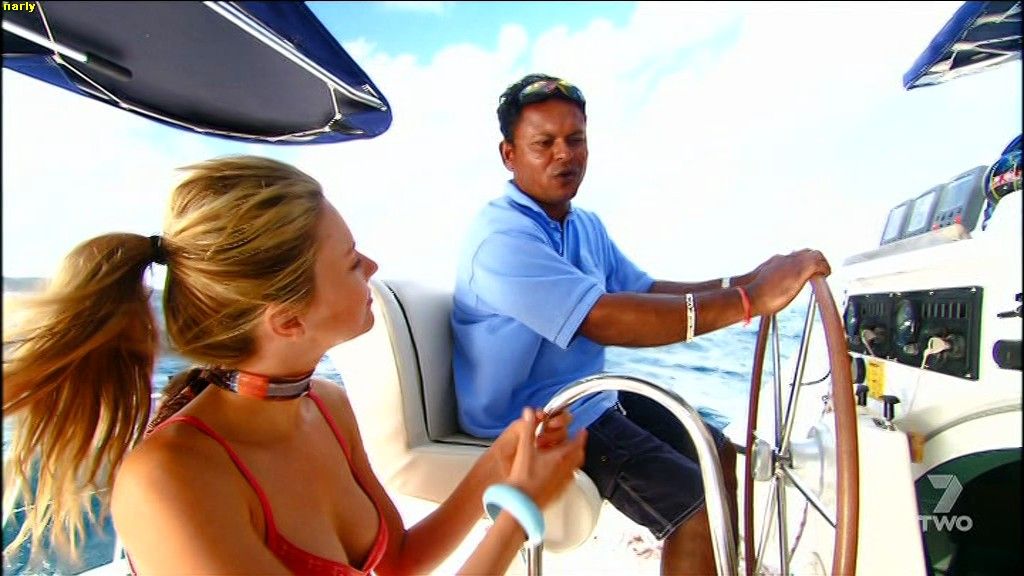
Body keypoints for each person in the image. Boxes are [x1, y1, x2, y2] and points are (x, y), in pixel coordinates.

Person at [2, 155, 586, 575]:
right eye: (351, 261)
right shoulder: (171, 480)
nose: (372, 267)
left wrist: (496, 465)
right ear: (286, 321)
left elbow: (398, 562)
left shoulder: (325, 406)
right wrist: (517, 514)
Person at [451, 73, 832, 574]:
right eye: (544, 143)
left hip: (587, 398)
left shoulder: (583, 224)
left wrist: (748, 279)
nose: (564, 154)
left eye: (575, 139)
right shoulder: (501, 239)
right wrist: (749, 300)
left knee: (717, 451)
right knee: (694, 506)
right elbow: (602, 319)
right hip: (537, 420)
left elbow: (645, 292)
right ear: (509, 154)